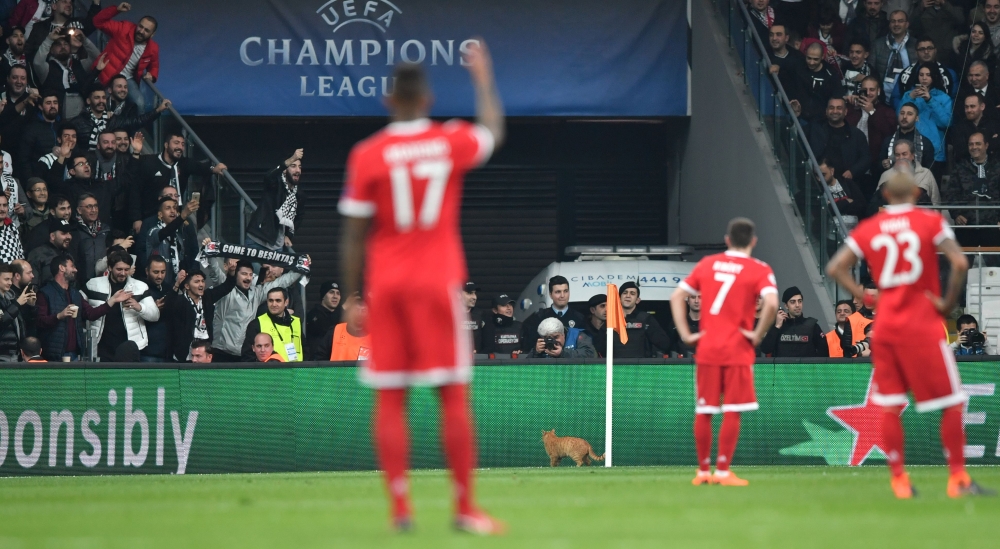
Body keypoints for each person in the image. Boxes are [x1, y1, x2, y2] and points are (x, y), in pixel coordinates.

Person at [337, 44, 506, 533]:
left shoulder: (367, 154)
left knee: (391, 399)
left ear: (389, 100)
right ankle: (464, 508)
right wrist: (482, 77)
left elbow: (352, 233)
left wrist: (353, 297)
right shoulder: (449, 140)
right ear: (428, 98)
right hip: (437, 283)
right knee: (452, 395)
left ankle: (401, 509)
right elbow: (494, 131)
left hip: (386, 286)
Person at [826, 169, 993, 499]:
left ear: (885, 196)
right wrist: (946, 304)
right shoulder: (929, 222)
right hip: (922, 325)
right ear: (916, 196)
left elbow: (834, 268)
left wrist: (865, 294)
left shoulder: (869, 228)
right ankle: (957, 478)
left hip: (886, 327)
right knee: (953, 403)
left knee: (889, 406)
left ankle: (900, 480)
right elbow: (960, 263)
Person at [670, 218, 779, 487]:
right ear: (753, 241)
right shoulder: (759, 268)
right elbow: (773, 303)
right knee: (733, 409)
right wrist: (757, 334)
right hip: (737, 349)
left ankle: (703, 471)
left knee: (705, 409)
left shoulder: (707, 264)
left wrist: (686, 335)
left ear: (727, 240)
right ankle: (722, 471)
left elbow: (676, 297)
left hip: (707, 347)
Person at [36, 253, 128, 361]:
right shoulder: (45, 293)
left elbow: (91, 314)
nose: (76, 270)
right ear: (62, 268)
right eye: (72, 266)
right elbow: (40, 321)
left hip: (75, 355)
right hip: (53, 356)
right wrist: (59, 316)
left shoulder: (75, 294)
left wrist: (112, 300)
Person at [130, 131, 226, 231]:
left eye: (182, 144)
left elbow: (200, 167)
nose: (180, 147)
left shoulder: (184, 164)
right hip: (150, 218)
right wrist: (136, 219)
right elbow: (135, 190)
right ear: (166, 145)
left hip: (175, 218)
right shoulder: (149, 162)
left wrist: (214, 169)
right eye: (176, 143)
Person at [209, 260, 301, 362]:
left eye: (250, 274)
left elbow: (282, 282)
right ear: (235, 274)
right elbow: (215, 272)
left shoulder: (257, 292)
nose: (248, 278)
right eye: (244, 274)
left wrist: (302, 268)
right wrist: (210, 253)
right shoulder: (225, 289)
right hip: (222, 353)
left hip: (244, 354)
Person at [84, 250, 158, 362]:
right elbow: (80, 310)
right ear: (109, 267)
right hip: (101, 346)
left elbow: (155, 315)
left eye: (126, 269)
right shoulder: (93, 285)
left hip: (129, 347)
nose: (123, 273)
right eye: (119, 269)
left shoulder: (140, 287)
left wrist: (139, 307)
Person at [93, 2, 160, 114]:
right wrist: (116, 10)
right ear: (137, 24)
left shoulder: (153, 48)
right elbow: (97, 21)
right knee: (101, 104)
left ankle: (135, 132)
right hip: (107, 74)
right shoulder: (124, 28)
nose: (141, 31)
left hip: (127, 79)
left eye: (146, 30)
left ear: (152, 34)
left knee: (140, 104)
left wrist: (152, 75)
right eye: (141, 26)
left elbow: (154, 66)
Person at [245, 148, 305, 256]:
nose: (298, 170)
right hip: (257, 241)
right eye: (293, 166)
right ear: (285, 170)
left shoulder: (298, 194)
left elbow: (299, 217)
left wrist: (288, 235)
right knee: (252, 273)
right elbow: (268, 176)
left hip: (277, 247)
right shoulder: (275, 184)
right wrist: (292, 158)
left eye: (299, 167)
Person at [946, 132, 1000, 247]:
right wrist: (956, 214)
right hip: (966, 227)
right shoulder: (960, 168)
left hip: (993, 227)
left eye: (978, 144)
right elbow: (951, 194)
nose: (974, 147)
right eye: (971, 144)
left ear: (986, 145)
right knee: (963, 265)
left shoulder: (997, 167)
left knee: (995, 264)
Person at [896, 64, 951, 169]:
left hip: (935, 151)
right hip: (908, 149)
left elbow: (946, 123)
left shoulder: (943, 97)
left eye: (928, 75)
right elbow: (899, 118)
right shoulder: (909, 95)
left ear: (934, 76)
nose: (924, 78)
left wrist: (930, 100)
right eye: (921, 75)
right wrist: (909, 98)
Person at [599, 281, 672, 358]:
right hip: (616, 367)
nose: (628, 296)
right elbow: (599, 347)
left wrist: (647, 330)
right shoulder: (611, 320)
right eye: (625, 293)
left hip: (641, 367)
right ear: (619, 298)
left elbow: (665, 344)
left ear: (637, 300)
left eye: (632, 293)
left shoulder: (646, 319)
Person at [519, 275, 586, 353]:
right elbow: (527, 348)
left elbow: (586, 350)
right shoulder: (538, 318)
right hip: (545, 363)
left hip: (572, 364)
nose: (562, 296)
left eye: (565, 291)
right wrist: (535, 350)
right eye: (558, 292)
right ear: (550, 294)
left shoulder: (580, 318)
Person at [808, 97, 870, 181]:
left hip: (847, 183)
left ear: (845, 112)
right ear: (826, 111)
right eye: (831, 108)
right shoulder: (815, 129)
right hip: (818, 181)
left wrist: (852, 171)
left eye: (839, 108)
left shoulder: (856, 134)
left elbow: (866, 158)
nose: (835, 111)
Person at [761, 286, 829, 357]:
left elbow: (824, 353)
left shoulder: (813, 326)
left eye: (800, 301)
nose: (797, 305)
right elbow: (765, 349)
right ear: (786, 306)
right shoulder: (778, 325)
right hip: (783, 368)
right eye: (793, 302)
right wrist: (777, 327)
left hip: (806, 368)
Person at [240, 287, 302, 362]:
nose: (274, 304)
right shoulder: (256, 324)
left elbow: (304, 349)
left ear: (286, 302)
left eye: (278, 300)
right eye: (270, 301)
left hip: (296, 372)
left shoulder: (296, 322)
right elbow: (248, 355)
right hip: (271, 372)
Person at [169, 269, 213, 362]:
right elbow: (168, 305)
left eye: (202, 281)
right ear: (187, 286)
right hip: (184, 355)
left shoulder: (207, 299)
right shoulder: (180, 302)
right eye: (197, 282)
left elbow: (226, 287)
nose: (201, 284)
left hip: (203, 353)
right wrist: (177, 284)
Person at [67, 192, 108, 284]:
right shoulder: (72, 231)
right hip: (80, 282)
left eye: (95, 206)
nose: (94, 210)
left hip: (103, 281)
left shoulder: (105, 229)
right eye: (89, 207)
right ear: (79, 210)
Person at [949, 94, 1000, 164]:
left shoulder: (995, 125)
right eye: (966, 107)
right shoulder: (958, 128)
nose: (969, 110)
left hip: (993, 167)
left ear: (982, 106)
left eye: (972, 106)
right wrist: (990, 144)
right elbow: (961, 151)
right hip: (966, 168)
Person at [0, 262, 33, 361]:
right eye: (6, 279)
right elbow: (2, 322)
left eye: (11, 279)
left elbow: (25, 324)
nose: (10, 282)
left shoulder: (10, 298)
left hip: (15, 351)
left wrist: (31, 306)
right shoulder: (14, 302)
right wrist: (17, 304)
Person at [27, 218, 73, 286]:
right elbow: (33, 284)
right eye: (64, 233)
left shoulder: (69, 255)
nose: (69, 236)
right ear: (52, 236)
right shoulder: (38, 254)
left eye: (69, 233)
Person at [325, 294, 372, 361]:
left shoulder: (375, 337)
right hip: (337, 371)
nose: (359, 314)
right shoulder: (336, 330)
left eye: (363, 311)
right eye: (356, 310)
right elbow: (320, 358)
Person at [529, 316, 597, 358]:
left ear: (563, 333)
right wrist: (536, 352)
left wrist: (563, 353)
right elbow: (525, 368)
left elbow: (590, 355)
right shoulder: (541, 345)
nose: (553, 341)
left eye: (555, 337)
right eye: (547, 338)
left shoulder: (578, 335)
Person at [305, 280, 341, 360]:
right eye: (331, 292)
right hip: (318, 365)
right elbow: (326, 328)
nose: (335, 296)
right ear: (323, 296)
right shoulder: (313, 314)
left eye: (338, 293)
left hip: (336, 362)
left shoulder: (341, 315)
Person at [670, 293, 701, 357]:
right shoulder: (678, 322)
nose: (696, 301)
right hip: (682, 365)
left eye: (700, 297)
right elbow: (669, 345)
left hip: (705, 364)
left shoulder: (711, 324)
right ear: (688, 301)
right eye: (693, 297)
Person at [0, 193, 24, 265]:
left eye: (5, 205)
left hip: (15, 273)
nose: (2, 209)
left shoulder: (12, 226)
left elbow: (20, 252)